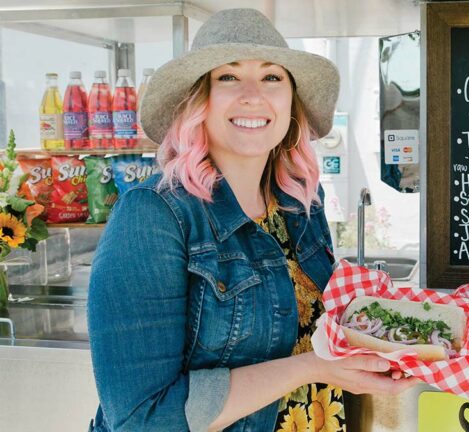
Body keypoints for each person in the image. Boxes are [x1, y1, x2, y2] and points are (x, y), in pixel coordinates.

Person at [87, 9, 416, 432]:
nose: (252, 95)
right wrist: (311, 369)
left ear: (290, 101)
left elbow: (318, 331)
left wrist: (391, 346)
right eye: (227, 77)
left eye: (271, 77)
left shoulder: (301, 202)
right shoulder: (154, 215)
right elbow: (142, 419)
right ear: (198, 101)